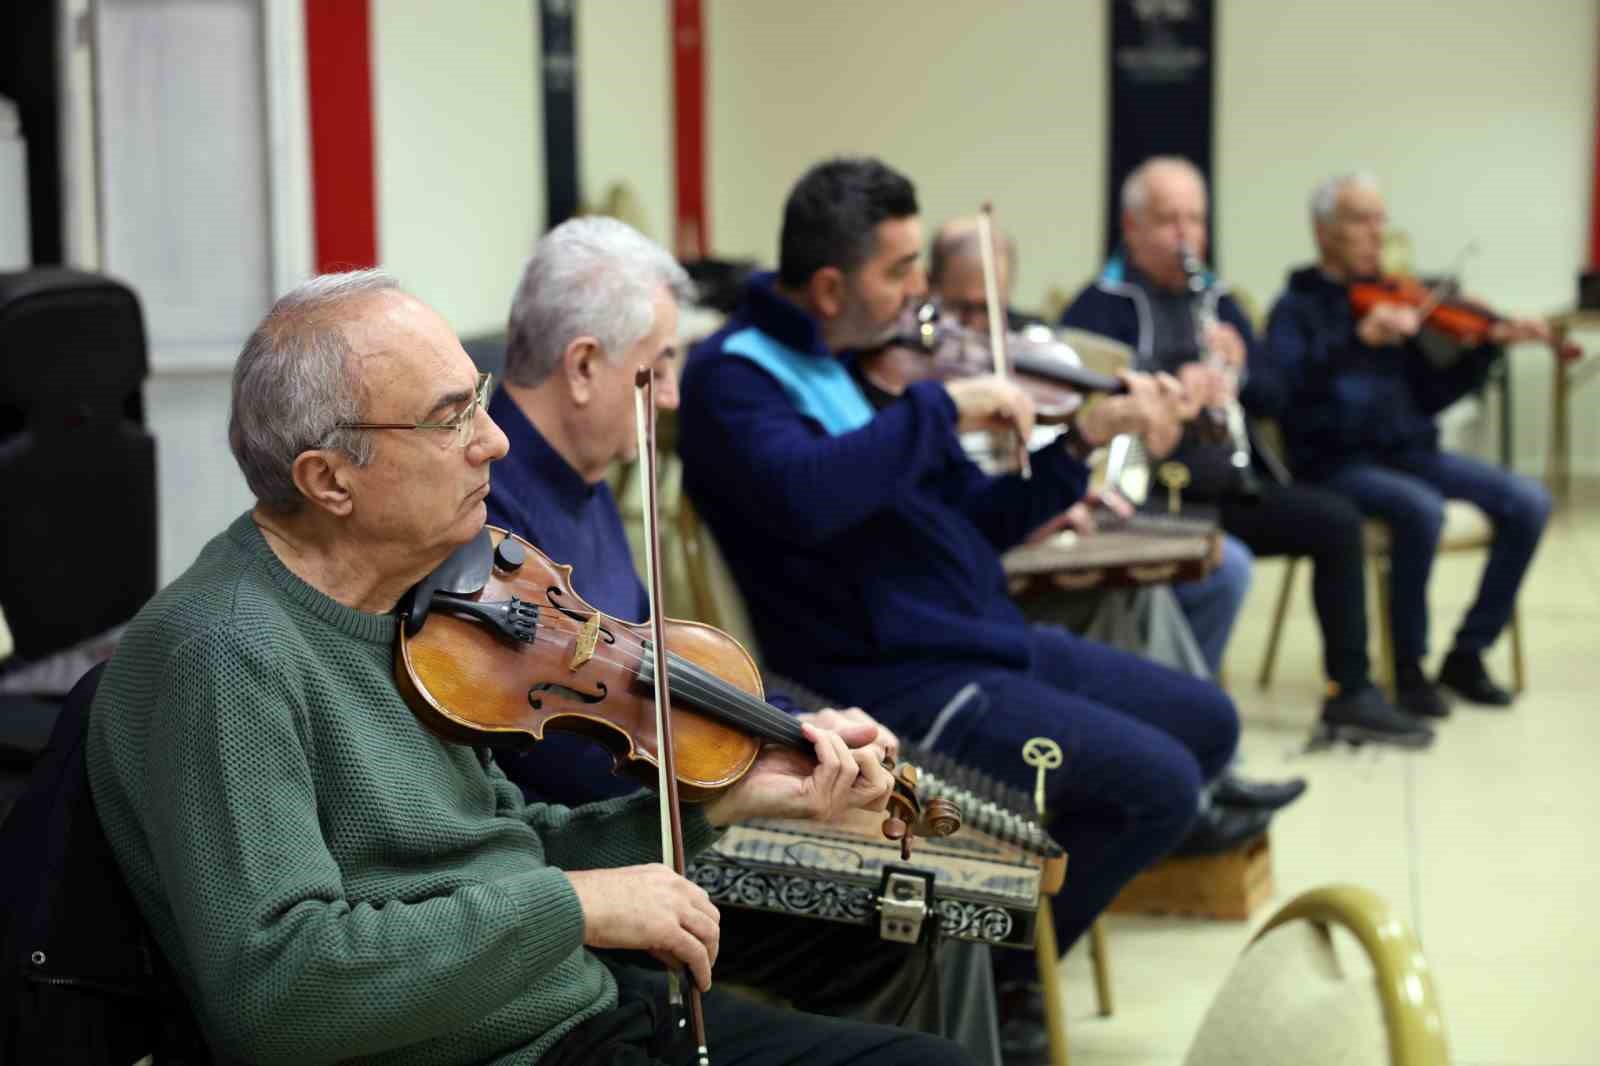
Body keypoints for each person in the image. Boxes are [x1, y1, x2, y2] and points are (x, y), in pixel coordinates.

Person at [85, 270, 973, 1066]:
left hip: (567, 1013)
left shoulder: (409, 604)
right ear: (328, 480)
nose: (494, 443)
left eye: (477, 400)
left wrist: (721, 804)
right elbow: (277, 993)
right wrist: (579, 908)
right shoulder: (222, 656)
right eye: (449, 419)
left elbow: (504, 849)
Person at [676, 157, 1272, 993]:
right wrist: (942, 407)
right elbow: (808, 497)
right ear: (827, 286)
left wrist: (1081, 442)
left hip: (977, 640)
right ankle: (1003, 994)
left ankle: (1015, 935)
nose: (920, 289)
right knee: (1160, 785)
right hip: (894, 684)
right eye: (899, 270)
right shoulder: (732, 376)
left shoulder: (856, 360)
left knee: (1208, 721)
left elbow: (977, 521)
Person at [481, 214, 999, 1053]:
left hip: (670, 818)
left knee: (933, 891)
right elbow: (566, 762)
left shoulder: (587, 480)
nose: (675, 396)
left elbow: (650, 669)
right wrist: (753, 768)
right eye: (661, 368)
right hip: (603, 861)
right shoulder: (493, 521)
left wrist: (793, 725)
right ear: (583, 367)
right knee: (923, 906)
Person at [1060, 157, 1433, 746]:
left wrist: (1243, 369)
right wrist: (1167, 385)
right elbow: (1079, 405)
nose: (1186, 235)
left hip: (1223, 486)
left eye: (1195, 220)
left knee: (1336, 521)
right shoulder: (1097, 305)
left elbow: (1275, 398)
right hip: (1146, 498)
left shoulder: (1221, 301)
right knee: (1218, 563)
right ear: (1131, 228)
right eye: (1168, 220)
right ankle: (1174, 709)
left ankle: (1352, 695)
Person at [1262, 172, 1552, 709]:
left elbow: (1430, 396)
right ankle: (1408, 666)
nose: (1378, 233)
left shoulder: (1397, 301)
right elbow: (1279, 395)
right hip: (1335, 463)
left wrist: (1486, 349)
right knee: (1419, 511)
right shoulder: (1297, 309)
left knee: (1529, 502)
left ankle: (1467, 654)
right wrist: (1353, 342)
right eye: (1361, 220)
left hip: (1412, 453)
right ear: (1324, 232)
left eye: (1380, 219)